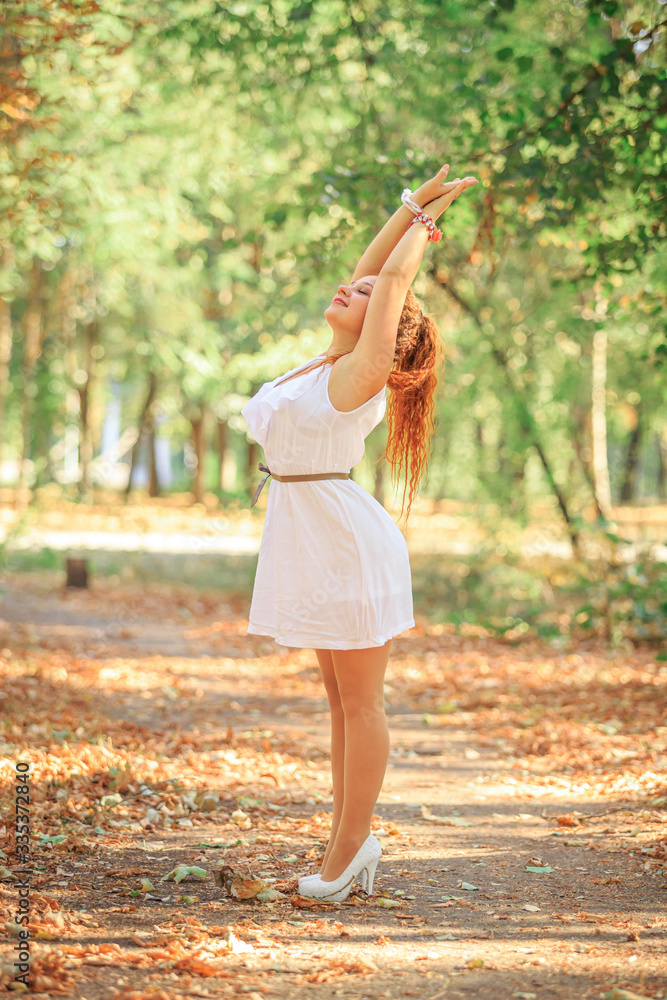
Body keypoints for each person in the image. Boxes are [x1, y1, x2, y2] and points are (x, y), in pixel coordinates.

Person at [241, 164, 478, 902]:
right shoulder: (326, 367)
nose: (352, 287)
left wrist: (425, 229)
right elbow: (374, 274)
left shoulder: (362, 374)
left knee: (361, 703)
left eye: (367, 296)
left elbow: (393, 283)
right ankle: (345, 844)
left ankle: (349, 849)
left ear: (386, 330)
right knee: (339, 703)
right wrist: (408, 206)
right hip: (312, 537)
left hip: (344, 545)